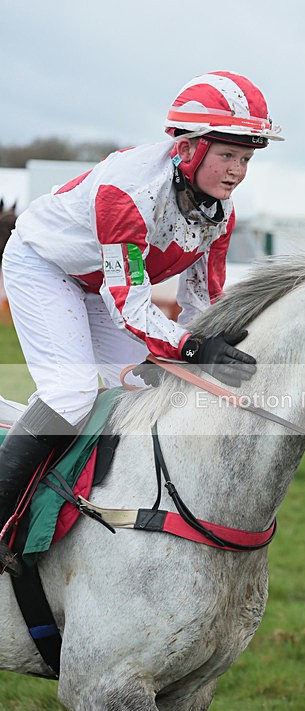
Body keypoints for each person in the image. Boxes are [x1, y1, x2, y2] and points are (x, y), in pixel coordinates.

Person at [0, 71, 283, 574]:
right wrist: (194, 351)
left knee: (135, 395)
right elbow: (130, 305)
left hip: (99, 286)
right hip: (46, 267)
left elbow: (204, 304)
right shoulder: (127, 191)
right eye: (227, 155)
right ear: (189, 149)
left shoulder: (220, 211)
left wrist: (228, 355)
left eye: (246, 158)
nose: (237, 171)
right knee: (71, 394)